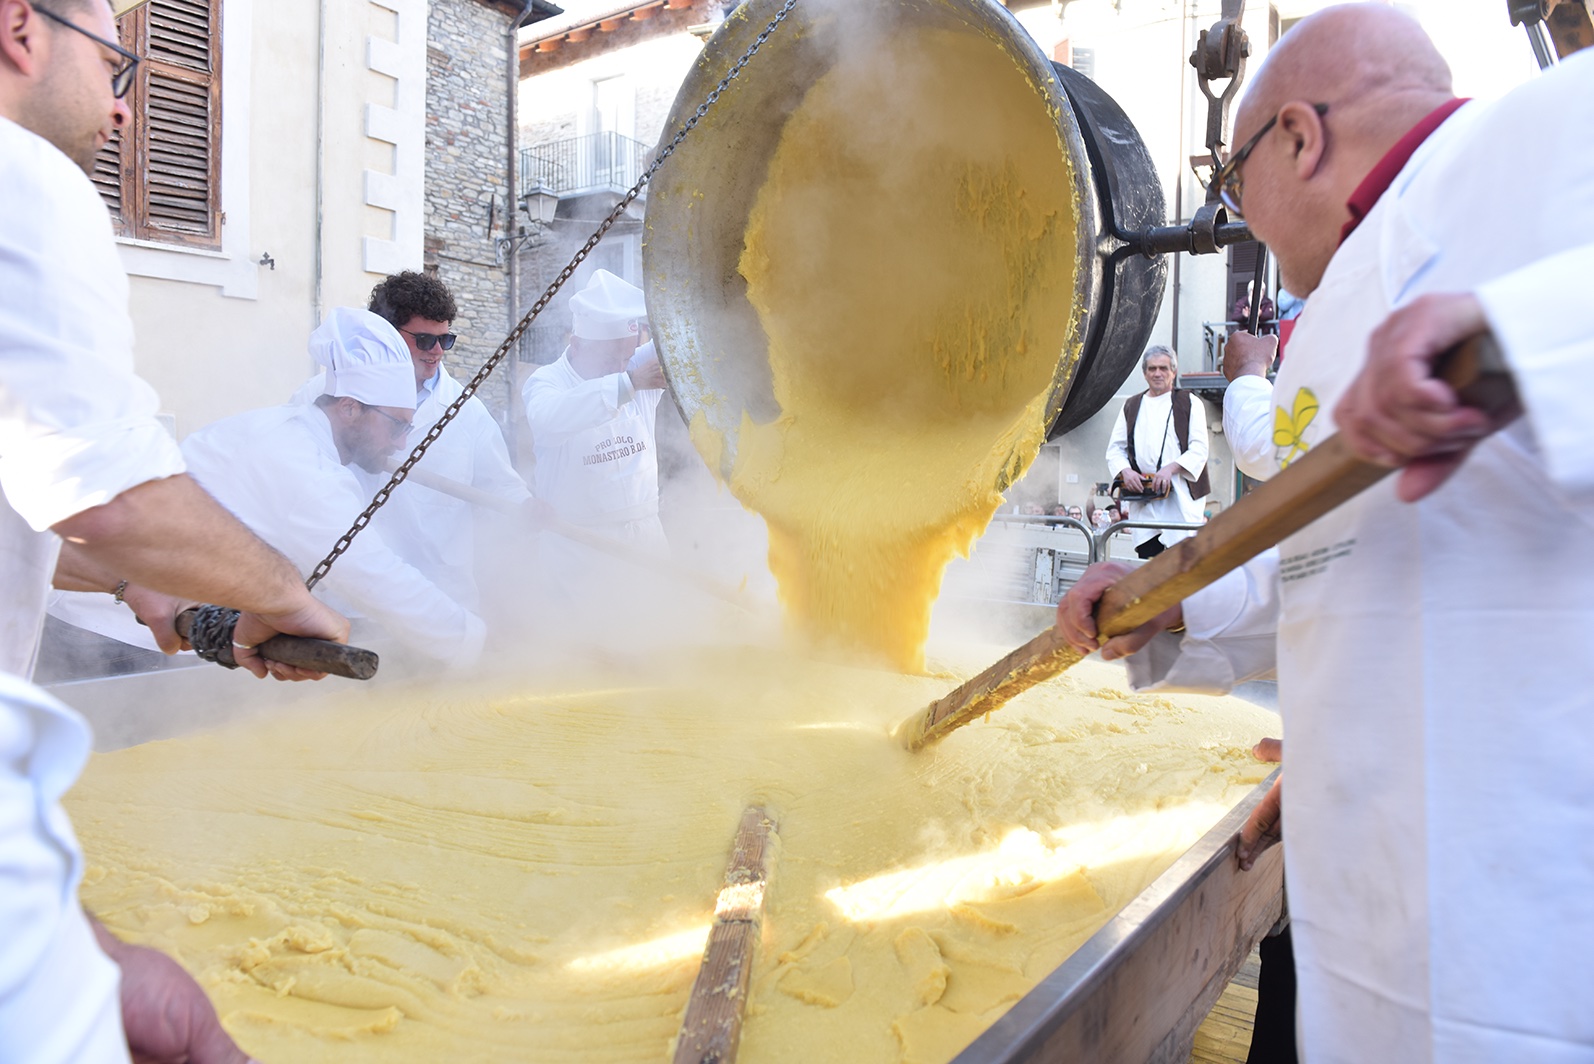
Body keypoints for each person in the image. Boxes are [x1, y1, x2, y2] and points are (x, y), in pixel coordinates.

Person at [1057, 6, 1594, 1060]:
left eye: (1234, 180)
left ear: (1297, 136)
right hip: (1379, 904)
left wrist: (1521, 340)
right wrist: (1169, 602)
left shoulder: (1554, 127)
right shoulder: (1322, 321)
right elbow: (1333, 559)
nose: (1238, 215)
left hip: (1539, 883)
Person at [0, 0, 349, 1059]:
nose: (122, 109)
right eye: (118, 64)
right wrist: (283, 597)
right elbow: (107, 492)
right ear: (20, 29)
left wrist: (133, 586)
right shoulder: (23, 178)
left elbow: (39, 507)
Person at [186, 309, 487, 669]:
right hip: (164, 634)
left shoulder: (283, 429)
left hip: (200, 621)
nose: (400, 444)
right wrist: (474, 644)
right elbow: (369, 573)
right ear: (349, 408)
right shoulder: (307, 468)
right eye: (396, 426)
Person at [292, 272, 532, 611]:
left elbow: (500, 487)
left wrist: (527, 508)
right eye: (424, 340)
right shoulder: (321, 397)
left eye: (445, 340)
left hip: (438, 598)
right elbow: (291, 478)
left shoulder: (467, 412)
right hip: (344, 601)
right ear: (386, 333)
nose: (437, 351)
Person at [522, 269, 669, 595]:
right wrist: (628, 384)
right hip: (581, 553)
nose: (620, 368)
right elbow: (548, 418)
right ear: (576, 345)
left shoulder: (633, 366)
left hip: (646, 541)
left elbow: (682, 334)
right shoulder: (547, 382)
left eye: (627, 357)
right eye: (609, 359)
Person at [1103, 346, 1211, 558]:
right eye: (1152, 369)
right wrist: (1126, 472)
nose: (1157, 373)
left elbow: (1199, 448)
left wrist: (1170, 469)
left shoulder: (1190, 402)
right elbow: (1115, 449)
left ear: (1173, 372)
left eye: (1163, 368)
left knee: (1181, 563)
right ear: (1145, 373)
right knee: (1148, 562)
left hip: (1180, 501)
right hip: (1143, 500)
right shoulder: (1132, 405)